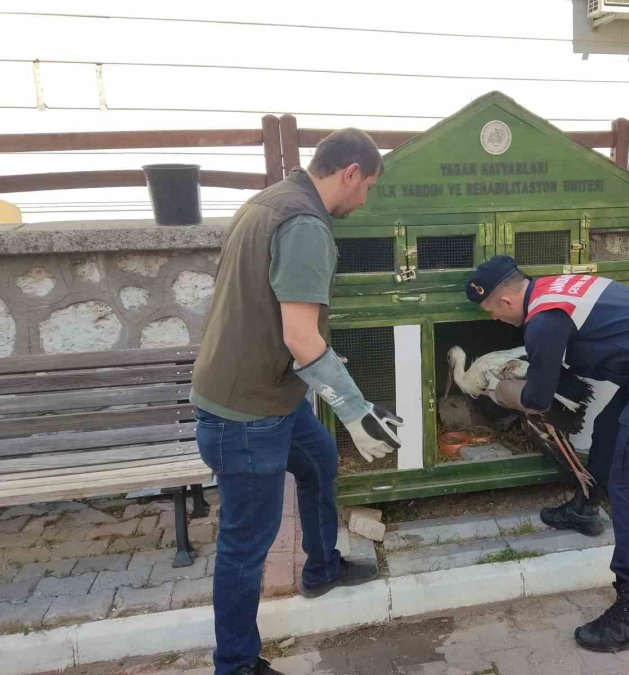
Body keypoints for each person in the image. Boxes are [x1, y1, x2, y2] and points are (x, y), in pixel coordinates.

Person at [191, 129, 404, 675]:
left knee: (318, 461)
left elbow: (267, 309)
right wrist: (356, 412)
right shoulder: (305, 222)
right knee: (246, 544)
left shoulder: (269, 201)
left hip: (268, 394)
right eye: (369, 186)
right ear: (350, 173)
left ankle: (322, 566)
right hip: (248, 412)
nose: (365, 200)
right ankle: (236, 664)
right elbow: (301, 336)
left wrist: (326, 367)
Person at [466, 255, 629, 653]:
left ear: (506, 301)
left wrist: (498, 391)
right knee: (608, 432)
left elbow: (537, 400)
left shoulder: (542, 322)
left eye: (491, 310)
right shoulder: (549, 288)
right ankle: (585, 506)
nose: (493, 319)